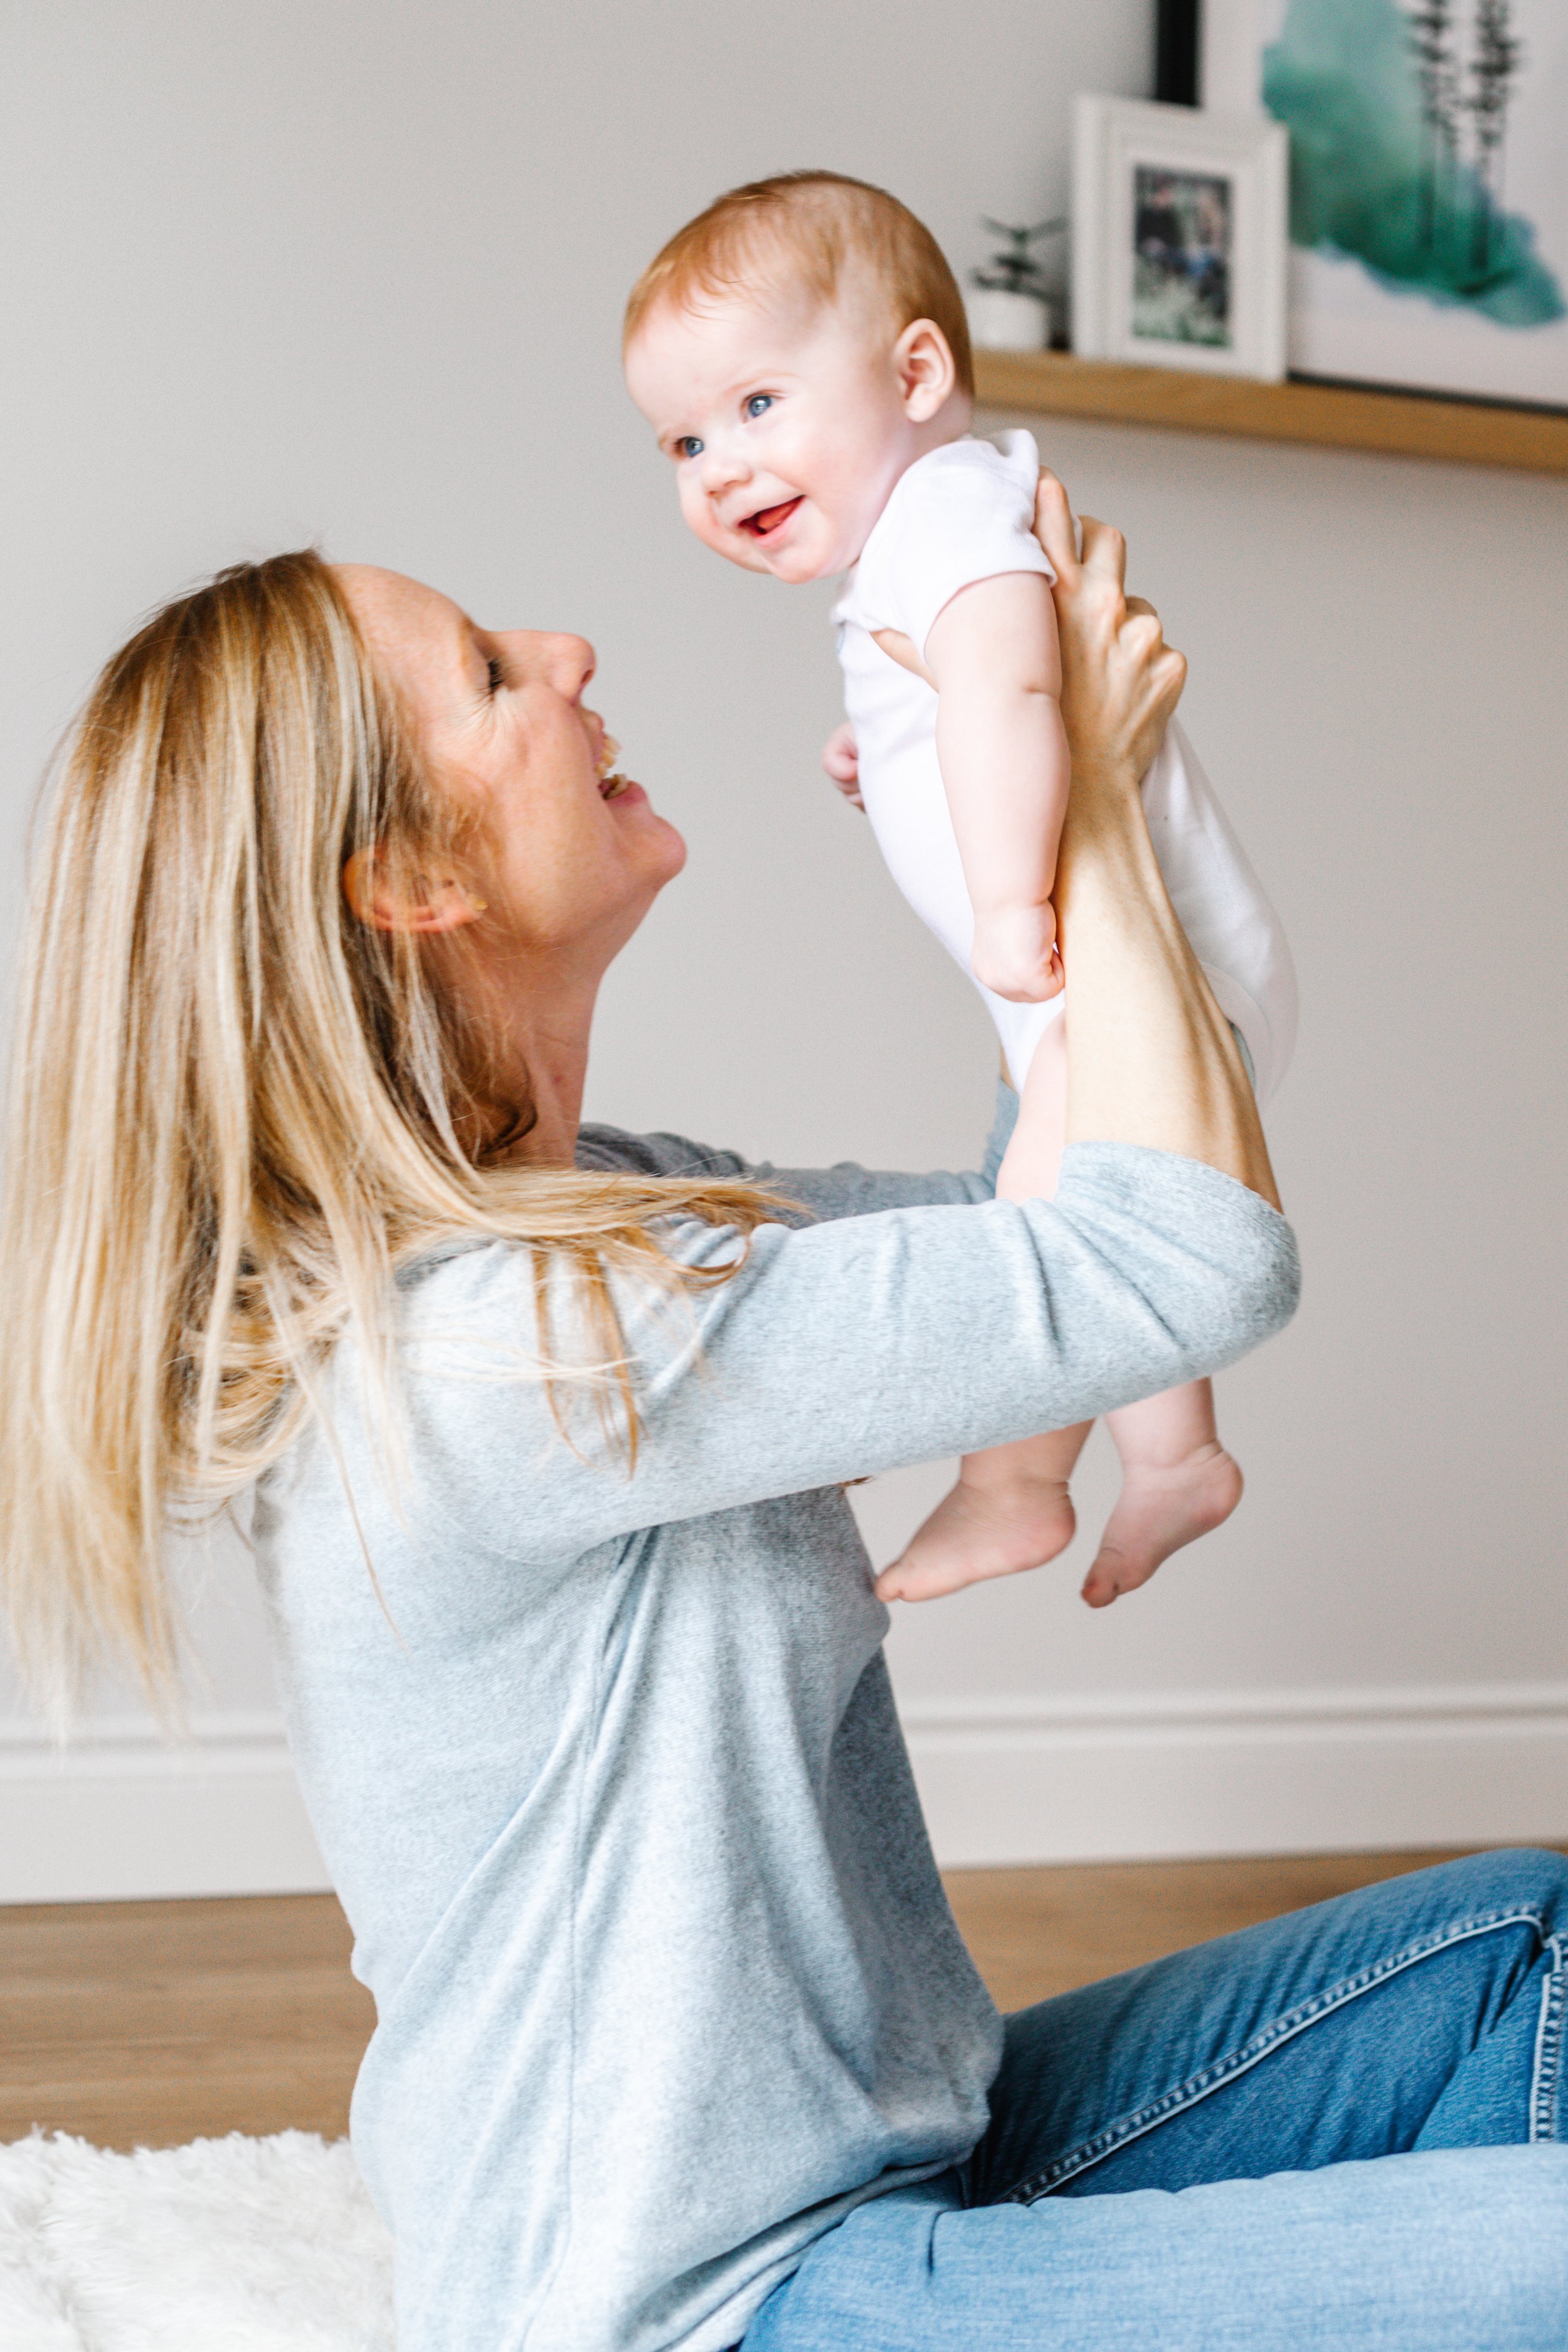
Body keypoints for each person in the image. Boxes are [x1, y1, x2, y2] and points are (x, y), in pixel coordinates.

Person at [0, 485, 1561, 2352]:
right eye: (495, 674)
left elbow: (1032, 1232)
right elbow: (1181, 1261)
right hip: (715, 2305)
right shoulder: (513, 1342)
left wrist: (1007, 815)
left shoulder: (610, 1225)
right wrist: (1090, 821)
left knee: (1514, 1958)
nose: (570, 655)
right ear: (409, 878)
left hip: (900, 2163)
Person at [623, 171, 1297, 1613]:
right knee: (1046, 1200)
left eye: (753, 407)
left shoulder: (942, 508)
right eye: (681, 438)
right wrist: (890, 750)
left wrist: (1003, 898)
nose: (718, 466)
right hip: (1092, 988)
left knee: (1044, 1220)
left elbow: (1014, 682)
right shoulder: (916, 544)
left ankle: (1022, 1482)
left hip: (1135, 969)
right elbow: (972, 702)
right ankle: (1164, 1457)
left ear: (915, 371)